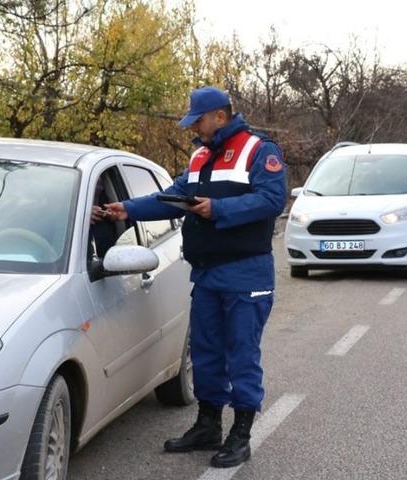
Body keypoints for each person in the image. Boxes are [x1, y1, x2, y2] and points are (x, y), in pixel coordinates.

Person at [104, 86, 287, 468]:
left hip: (246, 272)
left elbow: (273, 199)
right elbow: (171, 195)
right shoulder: (201, 154)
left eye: (199, 121)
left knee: (241, 354)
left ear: (219, 116)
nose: (196, 129)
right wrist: (127, 209)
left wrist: (218, 209)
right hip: (207, 274)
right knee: (205, 352)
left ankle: (241, 434)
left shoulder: (259, 150)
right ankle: (208, 425)